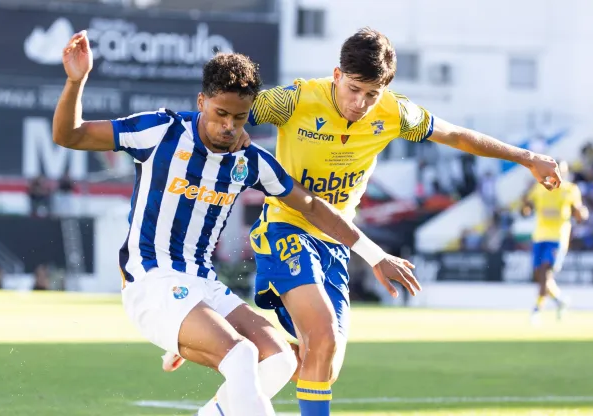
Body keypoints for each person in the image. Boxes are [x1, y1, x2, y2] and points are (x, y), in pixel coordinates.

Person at [169, 27, 564, 416]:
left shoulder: (395, 112)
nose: (360, 102)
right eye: (353, 89)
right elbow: (227, 109)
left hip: (338, 242)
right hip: (285, 229)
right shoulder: (296, 100)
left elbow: (457, 135)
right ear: (337, 75)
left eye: (371, 94)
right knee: (320, 331)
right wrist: (229, 130)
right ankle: (205, 336)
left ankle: (218, 383)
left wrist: (527, 158)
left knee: (322, 360)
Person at [52, 31, 419, 416]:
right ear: (202, 102)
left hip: (203, 284)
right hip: (151, 280)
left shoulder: (249, 161)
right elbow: (69, 134)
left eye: (239, 118)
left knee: (279, 360)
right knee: (242, 355)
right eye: (220, 114)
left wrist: (373, 255)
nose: (228, 126)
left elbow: (312, 205)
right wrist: (76, 81)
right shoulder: (161, 132)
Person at [521, 160, 588, 324]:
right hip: (539, 236)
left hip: (558, 237)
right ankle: (560, 301)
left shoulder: (570, 189)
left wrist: (581, 214)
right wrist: (525, 206)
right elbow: (526, 208)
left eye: (563, 172)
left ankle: (537, 309)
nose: (559, 175)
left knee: (545, 271)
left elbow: (580, 212)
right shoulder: (540, 187)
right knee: (540, 276)